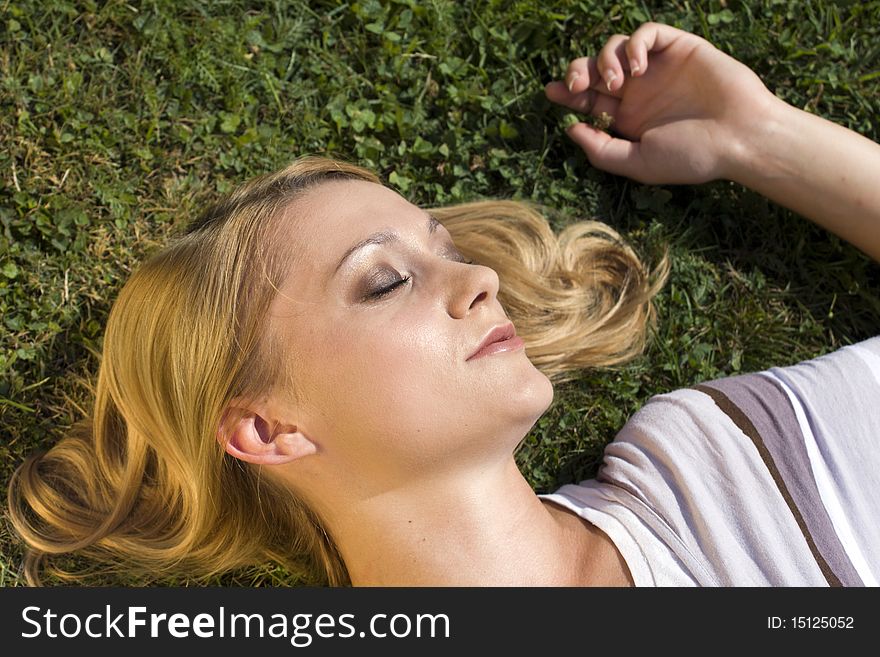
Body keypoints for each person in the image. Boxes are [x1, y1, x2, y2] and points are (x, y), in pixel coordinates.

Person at [8, 23, 879, 586]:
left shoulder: (717, 468)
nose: (481, 280)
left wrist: (764, 138)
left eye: (449, 251)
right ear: (271, 430)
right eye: (386, 280)